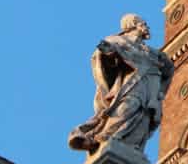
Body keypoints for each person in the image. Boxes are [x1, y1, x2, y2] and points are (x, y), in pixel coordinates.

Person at [68, 14, 174, 154]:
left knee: (144, 118)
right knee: (129, 106)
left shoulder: (153, 53)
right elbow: (101, 53)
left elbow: (169, 69)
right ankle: (99, 138)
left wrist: (161, 90)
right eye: (143, 23)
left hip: (151, 88)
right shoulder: (119, 41)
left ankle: (129, 147)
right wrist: (111, 54)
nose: (147, 27)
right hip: (132, 83)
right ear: (133, 24)